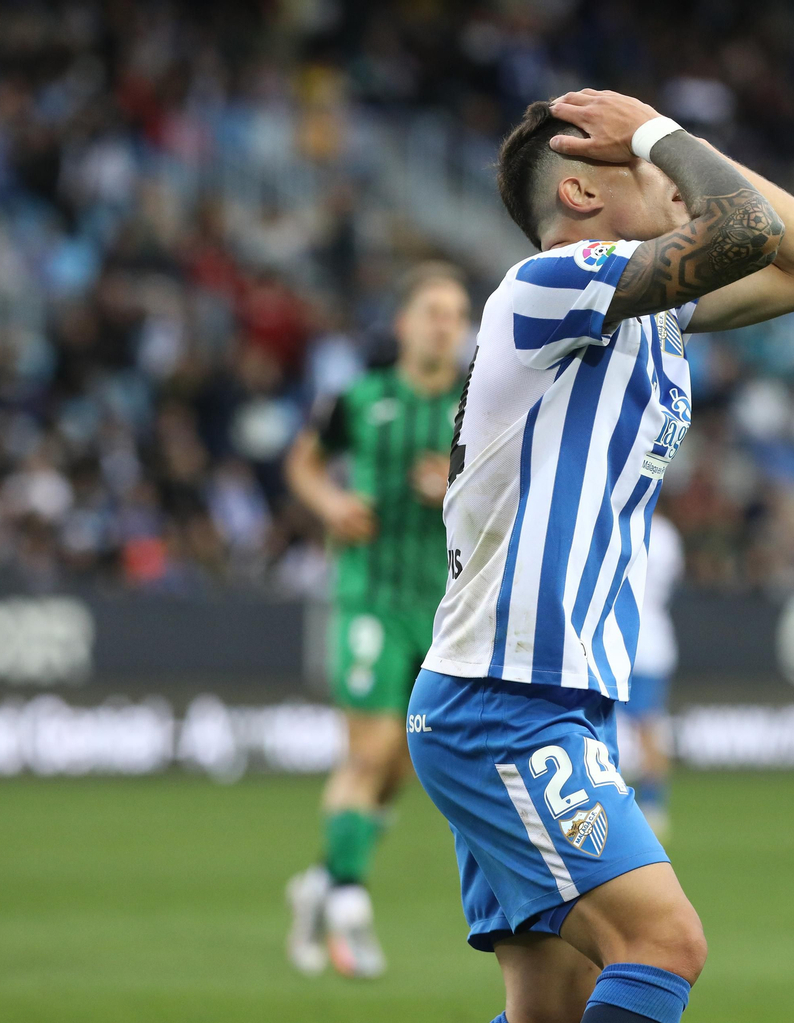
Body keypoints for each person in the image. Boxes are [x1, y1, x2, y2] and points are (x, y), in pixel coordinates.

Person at [405, 88, 794, 1023]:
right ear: (579, 192)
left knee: (550, 1008)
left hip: (546, 694)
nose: (675, 180)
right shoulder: (549, 286)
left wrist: (662, 140)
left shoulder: (648, 314)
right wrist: (661, 132)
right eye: (647, 171)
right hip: (505, 698)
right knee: (664, 944)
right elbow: (742, 228)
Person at [282, 264, 471, 979]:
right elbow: (301, 463)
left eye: (455, 312)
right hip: (370, 599)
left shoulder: (478, 401)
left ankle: (321, 881)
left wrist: (453, 484)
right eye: (432, 310)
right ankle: (351, 906)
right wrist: (329, 505)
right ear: (403, 324)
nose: (445, 322)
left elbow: (513, 488)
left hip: (449, 608)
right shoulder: (358, 400)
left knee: (400, 765)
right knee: (369, 751)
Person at [620, 510, 684, 840]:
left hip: (617, 638)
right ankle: (654, 806)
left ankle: (614, 803)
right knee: (649, 725)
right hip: (654, 638)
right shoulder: (666, 532)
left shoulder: (613, 518)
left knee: (602, 725)